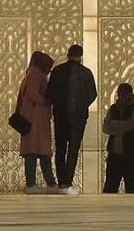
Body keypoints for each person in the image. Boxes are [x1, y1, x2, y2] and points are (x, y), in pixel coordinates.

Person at [46, 42, 97, 194]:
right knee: (73, 149)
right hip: (78, 118)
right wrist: (82, 106)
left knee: (60, 148)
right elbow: (92, 94)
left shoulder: (57, 71)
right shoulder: (86, 73)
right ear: (80, 57)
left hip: (61, 116)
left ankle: (61, 181)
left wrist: (58, 105)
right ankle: (67, 182)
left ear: (68, 55)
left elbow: (50, 93)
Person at [17, 51, 57, 193]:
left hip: (33, 118)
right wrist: (46, 101)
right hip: (36, 120)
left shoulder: (31, 75)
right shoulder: (36, 76)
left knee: (35, 152)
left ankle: (41, 183)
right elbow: (32, 94)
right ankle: (40, 184)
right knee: (38, 152)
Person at [101, 82, 134, 194]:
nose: (121, 97)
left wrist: (115, 124)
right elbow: (106, 128)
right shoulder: (113, 109)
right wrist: (121, 128)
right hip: (114, 153)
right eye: (120, 94)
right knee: (110, 187)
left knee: (131, 187)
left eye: (123, 94)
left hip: (132, 154)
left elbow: (130, 125)